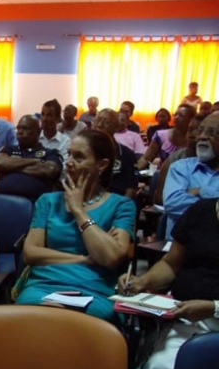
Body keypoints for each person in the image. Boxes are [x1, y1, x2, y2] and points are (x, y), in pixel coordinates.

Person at [15, 130, 135, 324]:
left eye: (79, 157)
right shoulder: (48, 201)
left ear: (101, 165)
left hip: (94, 290)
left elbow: (112, 258)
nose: (69, 162)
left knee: (84, 325)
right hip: (43, 286)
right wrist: (86, 258)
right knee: (29, 320)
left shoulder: (121, 205)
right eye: (68, 154)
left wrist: (79, 212)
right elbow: (30, 253)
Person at [119, 197, 219, 369]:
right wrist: (144, 280)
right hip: (186, 317)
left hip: (212, 316)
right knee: (164, 366)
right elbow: (172, 264)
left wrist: (213, 308)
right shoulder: (201, 211)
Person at [163, 112, 219, 239]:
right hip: (179, 253)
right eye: (200, 131)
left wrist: (201, 191)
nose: (202, 137)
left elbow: (186, 209)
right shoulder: (180, 168)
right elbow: (173, 205)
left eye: (212, 132)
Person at [0, 115, 63, 201]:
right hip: (2, 200)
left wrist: (11, 167)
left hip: (35, 203)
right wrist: (34, 161)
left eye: (25, 128)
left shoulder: (49, 153)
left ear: (38, 132)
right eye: (18, 128)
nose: (19, 131)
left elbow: (50, 170)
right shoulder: (9, 149)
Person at [153, 114, 204, 206]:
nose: (192, 135)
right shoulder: (174, 160)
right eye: (190, 130)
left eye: (199, 131)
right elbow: (160, 198)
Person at [93, 108, 139, 199]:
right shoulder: (84, 150)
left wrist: (121, 208)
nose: (99, 125)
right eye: (97, 121)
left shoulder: (126, 154)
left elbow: (131, 189)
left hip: (116, 202)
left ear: (116, 127)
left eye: (106, 122)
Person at [137, 104, 196, 170]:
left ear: (191, 119)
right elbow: (146, 159)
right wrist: (133, 172)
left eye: (181, 115)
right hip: (163, 175)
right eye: (175, 114)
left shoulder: (195, 139)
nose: (176, 117)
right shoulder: (160, 135)